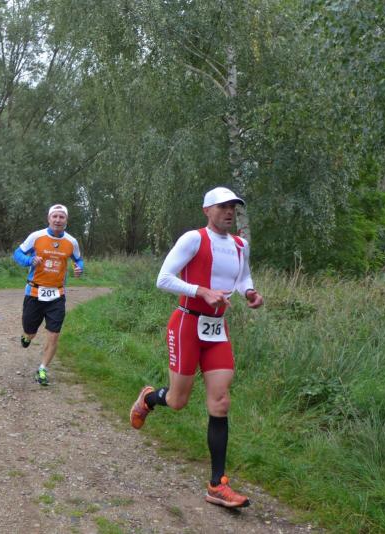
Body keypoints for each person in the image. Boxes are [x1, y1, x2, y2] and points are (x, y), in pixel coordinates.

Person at [129, 186, 264, 508]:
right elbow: (163, 278)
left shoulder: (241, 245)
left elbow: (243, 278)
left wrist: (250, 293)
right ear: (207, 210)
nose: (229, 212)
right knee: (178, 401)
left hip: (217, 330)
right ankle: (149, 398)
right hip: (187, 324)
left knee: (221, 401)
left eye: (233, 207)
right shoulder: (194, 239)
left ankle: (217, 484)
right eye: (222, 207)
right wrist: (201, 291)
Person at [13, 204, 84, 386]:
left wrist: (79, 268)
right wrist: (29, 260)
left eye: (62, 217)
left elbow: (78, 260)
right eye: (55, 216)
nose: (58, 220)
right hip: (34, 292)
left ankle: (42, 369)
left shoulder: (71, 242)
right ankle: (26, 337)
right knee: (30, 332)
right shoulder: (36, 236)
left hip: (57, 295)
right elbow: (17, 253)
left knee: (54, 335)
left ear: (66, 220)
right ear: (49, 218)